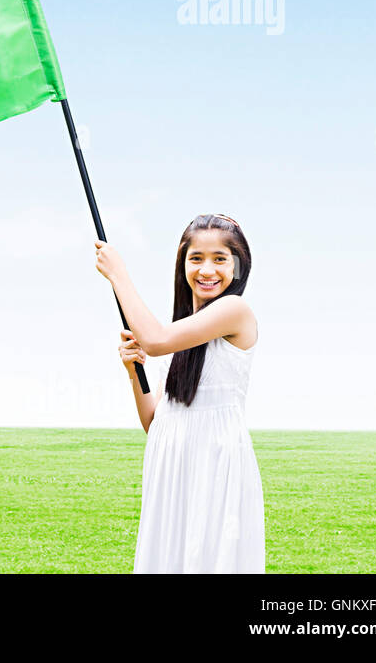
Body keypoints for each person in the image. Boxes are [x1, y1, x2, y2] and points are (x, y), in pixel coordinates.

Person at [95, 213, 265, 573]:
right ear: (182, 264)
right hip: (171, 469)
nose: (207, 270)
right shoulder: (180, 332)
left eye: (220, 259)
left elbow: (154, 340)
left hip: (213, 465)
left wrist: (118, 274)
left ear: (239, 266)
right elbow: (156, 421)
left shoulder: (236, 311)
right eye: (196, 258)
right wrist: (132, 372)